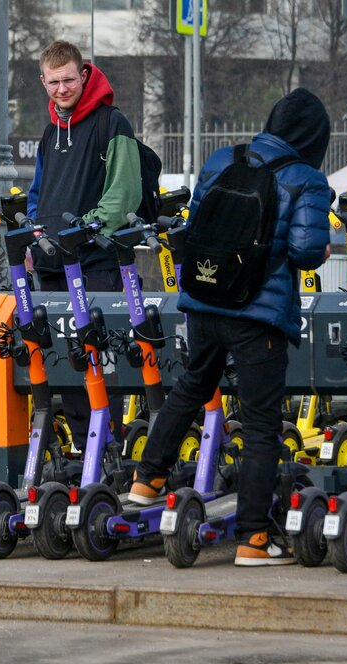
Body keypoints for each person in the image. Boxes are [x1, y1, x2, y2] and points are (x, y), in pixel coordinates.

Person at [127, 88, 333, 567]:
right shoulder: (307, 179)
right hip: (258, 318)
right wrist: (319, 251)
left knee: (190, 387)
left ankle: (146, 481)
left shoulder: (222, 159)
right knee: (261, 426)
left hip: (203, 302)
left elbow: (196, 224)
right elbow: (303, 252)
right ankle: (254, 540)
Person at [25, 40, 145, 455]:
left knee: (99, 359)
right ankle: (83, 447)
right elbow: (37, 193)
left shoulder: (113, 124)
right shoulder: (49, 131)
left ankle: (109, 450)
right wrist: (35, 233)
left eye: (69, 80)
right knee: (66, 358)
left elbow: (125, 192)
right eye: (54, 82)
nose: (62, 89)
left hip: (95, 263)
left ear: (84, 75)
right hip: (53, 264)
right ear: (43, 81)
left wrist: (90, 228)